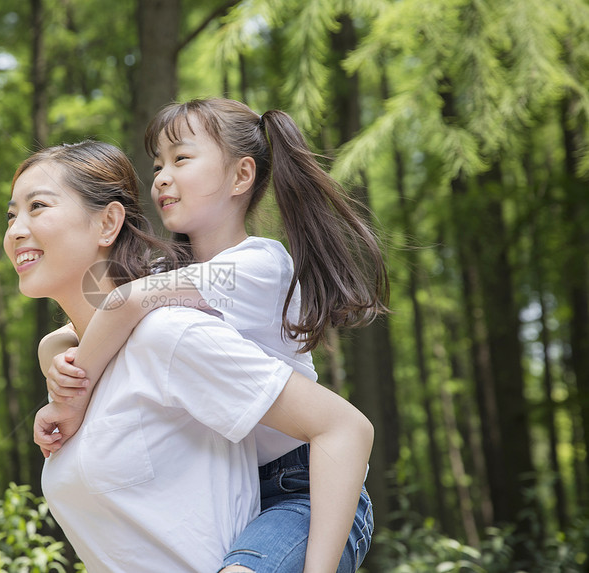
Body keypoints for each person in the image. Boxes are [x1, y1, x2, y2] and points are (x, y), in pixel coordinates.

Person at [35, 98, 389, 572]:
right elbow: (79, 326)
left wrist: (68, 402)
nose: (161, 177)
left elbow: (123, 304)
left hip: (305, 489)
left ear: (241, 177)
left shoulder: (258, 265)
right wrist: (59, 354)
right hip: (228, 490)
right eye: (158, 164)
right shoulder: (168, 272)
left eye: (181, 159)